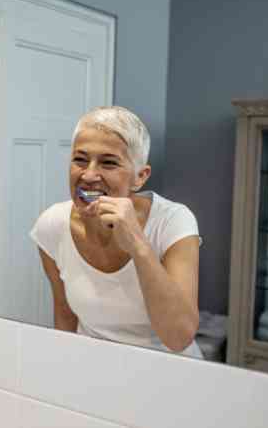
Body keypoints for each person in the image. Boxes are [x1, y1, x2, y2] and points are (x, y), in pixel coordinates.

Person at [30, 106, 203, 358]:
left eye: (108, 163)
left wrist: (138, 245)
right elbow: (65, 315)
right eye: (80, 159)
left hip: (170, 371)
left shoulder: (173, 221)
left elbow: (179, 337)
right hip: (97, 370)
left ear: (140, 177)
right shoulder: (52, 224)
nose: (88, 175)